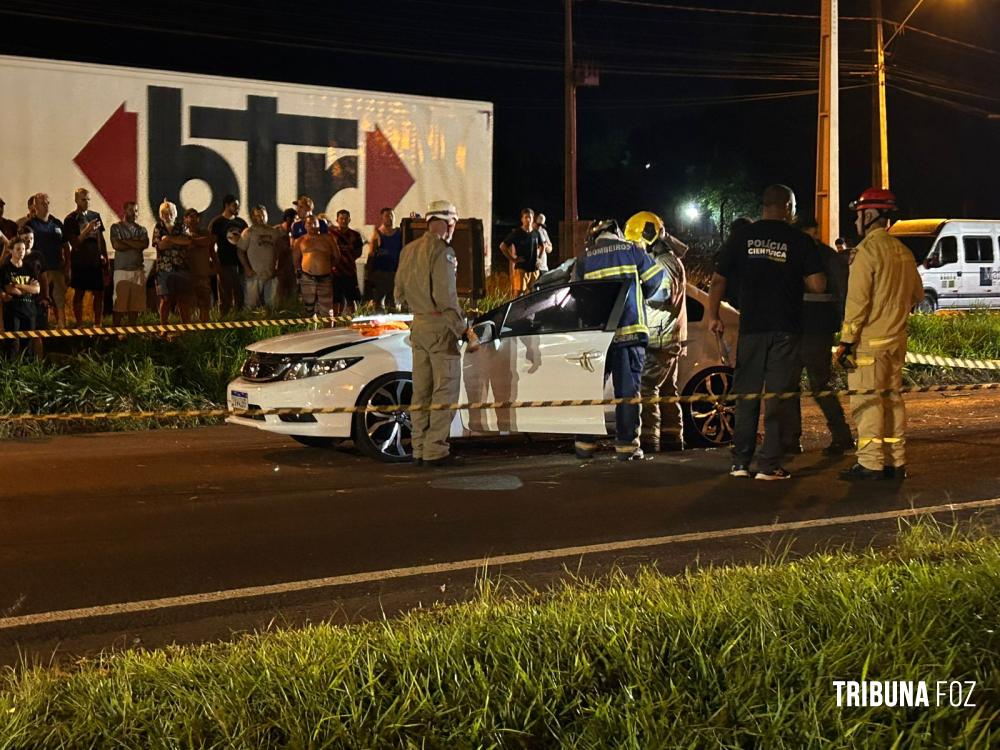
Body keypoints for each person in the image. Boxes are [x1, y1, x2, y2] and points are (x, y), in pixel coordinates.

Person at [706, 185, 825, 481]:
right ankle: (769, 464)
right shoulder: (798, 240)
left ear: (764, 206)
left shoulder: (741, 237)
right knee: (777, 397)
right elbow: (818, 285)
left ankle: (740, 462)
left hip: (751, 329)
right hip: (785, 329)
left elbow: (718, 280)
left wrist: (713, 316)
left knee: (746, 396)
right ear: (787, 207)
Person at [836, 188, 924, 481]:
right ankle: (895, 462)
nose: (856, 221)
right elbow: (916, 295)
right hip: (896, 343)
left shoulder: (866, 253)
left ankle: (871, 464)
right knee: (892, 401)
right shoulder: (904, 252)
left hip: (869, 346)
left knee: (868, 403)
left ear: (870, 215)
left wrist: (846, 342)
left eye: (859, 214)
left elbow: (857, 304)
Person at [572, 218, 663, 462]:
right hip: (630, 333)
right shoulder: (633, 251)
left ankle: (584, 445)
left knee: (590, 391)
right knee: (627, 392)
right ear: (617, 232)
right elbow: (656, 281)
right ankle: (626, 447)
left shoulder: (585, 258)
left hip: (597, 338)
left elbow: (575, 296)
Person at [394, 200, 476, 467]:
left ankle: (418, 449)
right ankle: (435, 451)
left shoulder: (408, 250)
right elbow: (446, 298)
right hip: (441, 328)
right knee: (445, 391)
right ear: (449, 222)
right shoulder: (443, 251)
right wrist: (464, 330)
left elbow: (399, 294)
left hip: (418, 326)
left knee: (421, 391)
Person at [782, 216, 854, 455]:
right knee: (815, 385)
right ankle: (839, 435)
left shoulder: (795, 255)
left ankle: (792, 440)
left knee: (795, 385)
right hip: (816, 330)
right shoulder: (827, 255)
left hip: (804, 330)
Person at [625, 211, 689, 453]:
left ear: (648, 237)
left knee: (646, 388)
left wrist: (638, 288)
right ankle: (673, 439)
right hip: (667, 338)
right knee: (666, 391)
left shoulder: (665, 263)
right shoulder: (666, 261)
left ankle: (650, 441)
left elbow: (663, 296)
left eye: (637, 241)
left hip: (661, 339)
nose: (637, 247)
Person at [27, 193, 70, 328]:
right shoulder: (30, 224)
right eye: (42, 203)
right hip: (38, 270)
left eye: (47, 203)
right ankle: (41, 326)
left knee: (59, 299)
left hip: (56, 267)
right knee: (40, 298)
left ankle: (62, 326)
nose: (46, 206)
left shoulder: (57, 223)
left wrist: (68, 264)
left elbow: (65, 245)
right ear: (35, 206)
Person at [109, 201, 150, 326]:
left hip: (138, 270)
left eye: (136, 211)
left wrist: (125, 241)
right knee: (119, 306)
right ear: (125, 211)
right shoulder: (116, 227)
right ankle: (115, 333)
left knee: (135, 307)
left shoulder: (141, 229)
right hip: (122, 270)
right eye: (131, 210)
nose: (134, 213)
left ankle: (131, 334)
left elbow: (144, 244)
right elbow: (117, 245)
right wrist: (135, 243)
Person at [153, 201, 193, 324]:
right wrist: (177, 241)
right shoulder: (158, 227)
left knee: (183, 299)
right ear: (161, 215)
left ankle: (186, 328)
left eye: (170, 212)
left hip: (181, 268)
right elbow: (160, 245)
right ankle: (163, 329)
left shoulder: (182, 226)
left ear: (175, 213)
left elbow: (187, 241)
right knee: (165, 299)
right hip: (164, 269)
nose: (168, 215)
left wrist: (169, 239)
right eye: (165, 213)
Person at [208, 194, 247, 314]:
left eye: (238, 206)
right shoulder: (217, 222)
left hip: (239, 264)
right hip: (224, 263)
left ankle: (239, 319)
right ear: (227, 205)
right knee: (225, 296)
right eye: (234, 205)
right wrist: (215, 263)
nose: (237, 208)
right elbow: (210, 244)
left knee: (240, 293)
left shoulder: (241, 223)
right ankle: (225, 320)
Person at [1, 236, 42, 352]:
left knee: (28, 347)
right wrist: (28, 288)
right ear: (11, 250)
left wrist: (20, 285)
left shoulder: (30, 268)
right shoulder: (5, 269)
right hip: (13, 312)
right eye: (18, 249)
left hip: (29, 311)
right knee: (12, 346)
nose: (21, 252)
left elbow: (37, 289)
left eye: (23, 249)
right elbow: (10, 289)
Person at [238, 205, 282, 309]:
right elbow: (240, 251)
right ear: (253, 217)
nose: (261, 218)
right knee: (251, 305)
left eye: (263, 215)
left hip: (271, 274)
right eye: (258, 215)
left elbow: (280, 251)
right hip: (254, 275)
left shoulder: (274, 232)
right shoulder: (248, 232)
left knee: (272, 306)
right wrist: (247, 268)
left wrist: (277, 266)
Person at [293, 215, 338, 317]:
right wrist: (300, 272)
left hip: (325, 277)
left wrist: (327, 267)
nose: (312, 225)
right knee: (307, 308)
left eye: (314, 223)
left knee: (327, 309)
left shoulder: (328, 238)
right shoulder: (300, 240)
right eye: (309, 223)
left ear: (319, 225)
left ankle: (328, 332)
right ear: (305, 226)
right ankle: (309, 331)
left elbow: (336, 256)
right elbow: (295, 259)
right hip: (307, 277)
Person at [182, 208, 218, 322]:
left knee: (205, 305)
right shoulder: (181, 235)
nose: (193, 219)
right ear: (185, 219)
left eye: (195, 216)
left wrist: (216, 267)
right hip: (187, 276)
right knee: (189, 305)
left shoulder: (205, 233)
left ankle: (204, 332)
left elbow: (210, 243)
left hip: (203, 276)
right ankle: (189, 333)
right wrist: (196, 241)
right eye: (190, 216)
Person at [365, 207, 403, 310]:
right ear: (382, 218)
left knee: (392, 302)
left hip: (395, 272)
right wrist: (369, 274)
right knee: (378, 302)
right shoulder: (377, 234)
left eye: (392, 215)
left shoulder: (399, 233)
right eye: (387, 216)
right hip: (380, 273)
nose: (390, 218)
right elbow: (371, 254)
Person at [500, 208, 543, 296]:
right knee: (518, 294)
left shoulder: (536, 233)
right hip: (521, 268)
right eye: (525, 217)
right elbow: (503, 246)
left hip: (534, 269)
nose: (528, 219)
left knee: (534, 294)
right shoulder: (517, 233)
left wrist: (539, 258)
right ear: (522, 219)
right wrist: (513, 259)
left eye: (530, 217)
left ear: (533, 218)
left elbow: (542, 246)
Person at [330, 209, 363, 314]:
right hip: (335, 272)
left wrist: (348, 259)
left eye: (346, 218)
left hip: (349, 271)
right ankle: (334, 322)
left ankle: (354, 319)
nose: (343, 221)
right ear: (337, 220)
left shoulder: (355, 235)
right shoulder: (331, 234)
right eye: (341, 218)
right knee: (335, 299)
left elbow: (358, 252)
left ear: (349, 220)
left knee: (352, 299)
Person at [274, 208, 298, 306]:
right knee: (279, 293)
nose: (296, 222)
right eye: (295, 219)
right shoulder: (277, 230)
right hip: (280, 267)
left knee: (293, 293)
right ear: (288, 218)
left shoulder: (296, 232)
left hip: (292, 268)